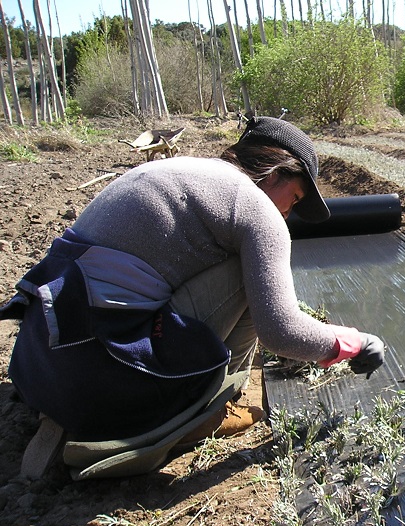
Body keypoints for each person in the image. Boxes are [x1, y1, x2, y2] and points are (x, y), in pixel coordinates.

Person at [1, 116, 385, 477]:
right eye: (296, 197)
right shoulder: (255, 208)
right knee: (247, 273)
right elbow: (280, 331)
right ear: (275, 171)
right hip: (103, 385)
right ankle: (210, 406)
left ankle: (161, 393)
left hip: (41, 364)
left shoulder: (182, 172)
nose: (288, 212)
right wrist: (351, 341)